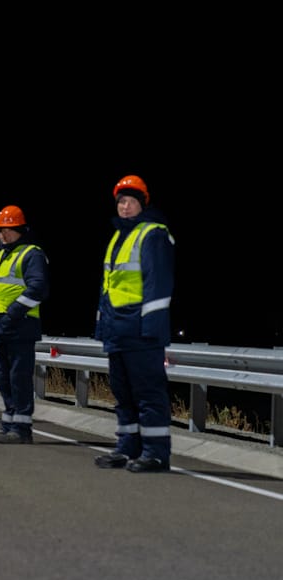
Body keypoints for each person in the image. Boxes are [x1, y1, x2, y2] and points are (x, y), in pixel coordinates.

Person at [93, 175, 175, 473]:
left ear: (143, 203)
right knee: (123, 394)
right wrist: (102, 328)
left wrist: (151, 329)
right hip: (117, 330)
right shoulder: (119, 237)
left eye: (130, 201)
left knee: (148, 393)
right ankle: (127, 447)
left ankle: (155, 453)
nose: (124, 206)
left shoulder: (153, 234)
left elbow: (158, 284)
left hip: (141, 332)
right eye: (121, 202)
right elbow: (108, 288)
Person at [0, 206, 49, 443]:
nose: (3, 234)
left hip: (21, 326)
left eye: (7, 229)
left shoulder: (32, 254)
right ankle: (8, 423)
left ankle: (22, 429)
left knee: (19, 378)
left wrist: (13, 313)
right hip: (1, 326)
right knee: (4, 379)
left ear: (20, 229)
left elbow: (38, 289)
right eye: (0, 229)